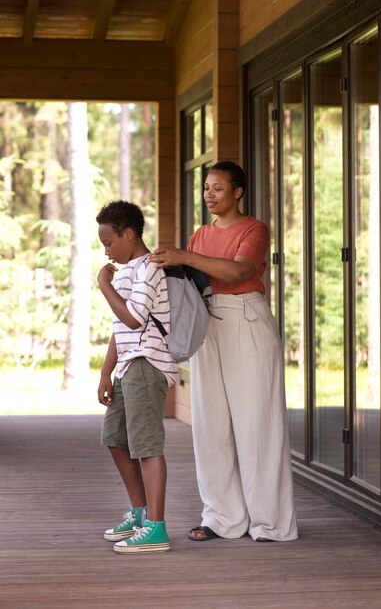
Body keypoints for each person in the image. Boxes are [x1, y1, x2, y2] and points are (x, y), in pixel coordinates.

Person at [149, 160, 298, 543]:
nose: (210, 194)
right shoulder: (200, 235)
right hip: (206, 323)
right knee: (210, 424)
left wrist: (184, 256)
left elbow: (237, 271)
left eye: (218, 188)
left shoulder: (254, 229)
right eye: (206, 188)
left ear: (237, 192)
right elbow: (192, 280)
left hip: (245, 319)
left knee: (256, 423)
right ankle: (222, 517)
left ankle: (269, 522)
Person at [96, 200, 178, 554]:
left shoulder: (150, 269)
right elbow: (120, 327)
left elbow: (133, 318)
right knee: (115, 437)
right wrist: (105, 371)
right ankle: (140, 513)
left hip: (147, 365)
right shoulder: (129, 269)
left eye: (109, 242)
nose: (106, 250)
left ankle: (157, 528)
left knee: (146, 446)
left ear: (129, 234)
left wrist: (103, 285)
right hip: (127, 366)